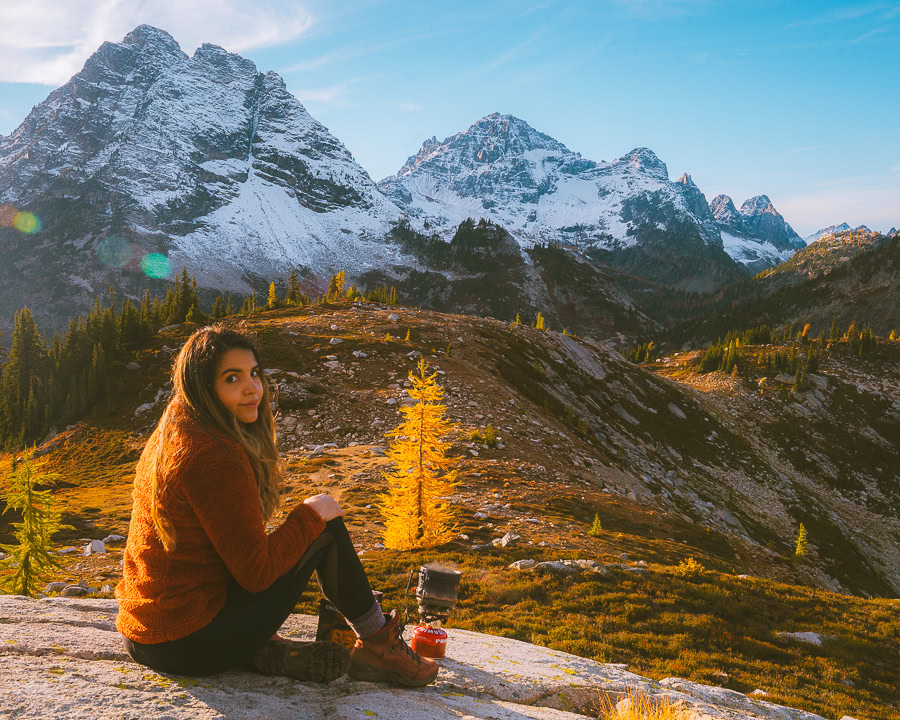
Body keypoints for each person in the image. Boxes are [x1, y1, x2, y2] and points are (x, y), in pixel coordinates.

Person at [115, 324, 438, 687]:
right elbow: (256, 573)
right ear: (205, 388)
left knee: (311, 523)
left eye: (254, 373)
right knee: (325, 527)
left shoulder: (177, 426)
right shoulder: (213, 457)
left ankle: (263, 651)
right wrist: (310, 516)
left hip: (144, 633)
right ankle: (378, 646)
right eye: (232, 378)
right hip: (188, 643)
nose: (253, 388)